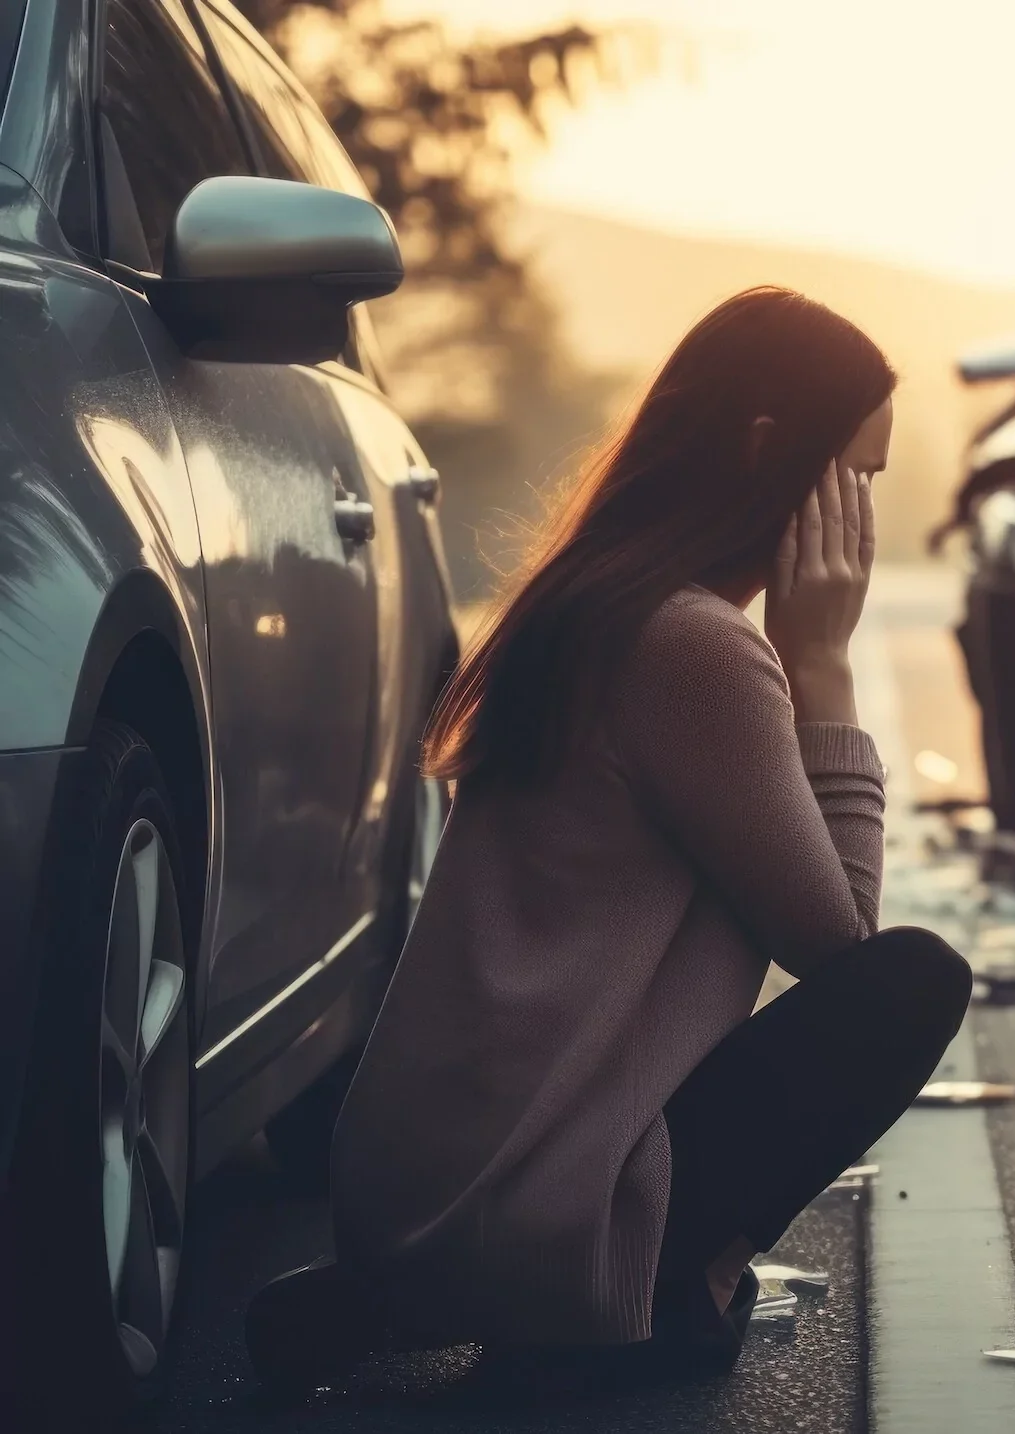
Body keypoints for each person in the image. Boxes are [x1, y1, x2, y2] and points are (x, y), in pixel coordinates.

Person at [244, 287, 971, 1387]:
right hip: (541, 1190)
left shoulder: (598, 601)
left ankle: (426, 1282)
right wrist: (821, 662)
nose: (859, 522)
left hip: (424, 1178)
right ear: (767, 452)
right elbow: (841, 947)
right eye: (853, 481)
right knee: (912, 980)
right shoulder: (694, 649)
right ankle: (637, 1286)